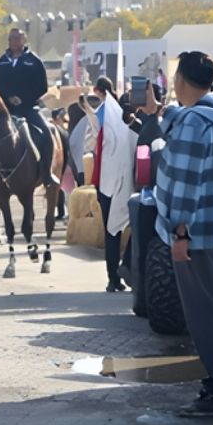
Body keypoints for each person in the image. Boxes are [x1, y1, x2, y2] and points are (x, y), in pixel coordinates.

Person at [154, 51, 213, 418]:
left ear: (181, 82)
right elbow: (188, 118)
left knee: (202, 313)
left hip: (196, 235)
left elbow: (186, 183)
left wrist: (179, 232)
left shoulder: (193, 124)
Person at [81, 77, 135, 292]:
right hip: (121, 182)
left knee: (112, 233)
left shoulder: (107, 119)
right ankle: (119, 273)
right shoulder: (123, 121)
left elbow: (89, 144)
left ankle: (114, 277)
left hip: (106, 183)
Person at [0, 28, 57, 185]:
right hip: (6, 110)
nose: (14, 42)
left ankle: (47, 174)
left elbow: (42, 87)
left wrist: (23, 99)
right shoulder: (0, 63)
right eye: (12, 38)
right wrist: (6, 98)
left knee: (46, 133)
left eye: (18, 38)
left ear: (24, 40)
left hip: (28, 109)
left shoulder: (34, 61)